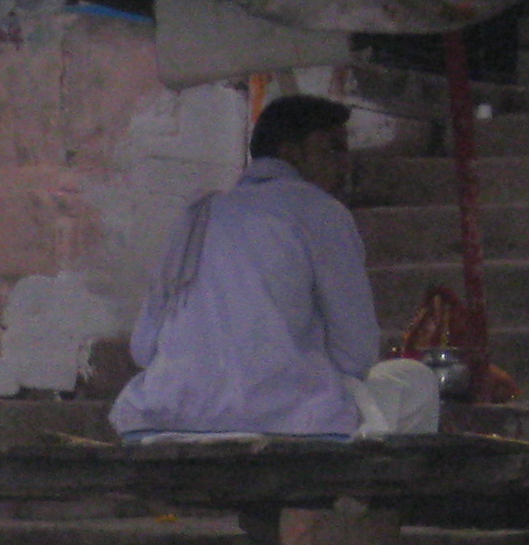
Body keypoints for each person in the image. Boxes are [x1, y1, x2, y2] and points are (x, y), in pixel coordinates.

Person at [109, 93, 441, 442]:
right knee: (416, 381)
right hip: (288, 421)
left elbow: (143, 347)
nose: (345, 165)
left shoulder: (197, 216)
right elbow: (356, 355)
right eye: (333, 149)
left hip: (163, 418)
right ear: (291, 152)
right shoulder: (321, 211)